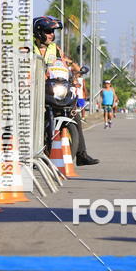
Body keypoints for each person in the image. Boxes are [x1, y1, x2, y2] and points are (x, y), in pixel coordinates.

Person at [33, 16, 98, 165]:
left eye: (53, 31)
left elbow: (64, 63)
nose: (52, 35)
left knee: (72, 111)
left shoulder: (54, 49)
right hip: (34, 89)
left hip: (51, 87)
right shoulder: (28, 47)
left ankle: (81, 154)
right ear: (39, 32)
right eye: (48, 31)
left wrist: (73, 77)